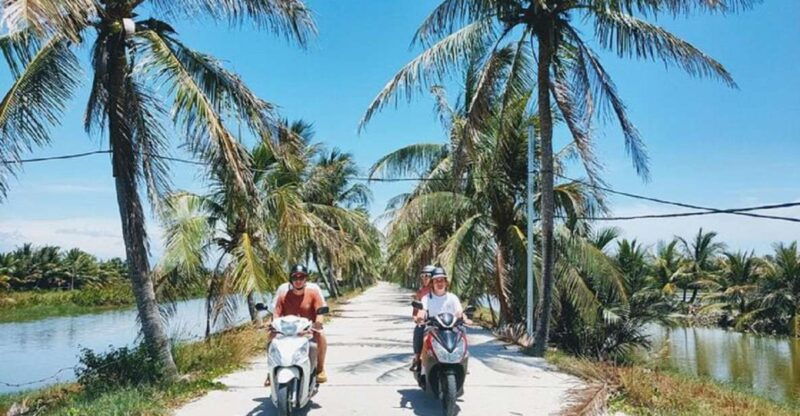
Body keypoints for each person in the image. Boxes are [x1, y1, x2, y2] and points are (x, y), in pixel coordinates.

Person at [265, 264, 329, 386]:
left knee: (321, 336)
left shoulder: (313, 293)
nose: (298, 281)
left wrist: (318, 323)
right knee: (270, 337)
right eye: (295, 278)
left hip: (307, 330)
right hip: (288, 331)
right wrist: (272, 325)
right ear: (291, 280)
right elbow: (276, 315)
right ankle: (271, 371)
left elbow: (320, 312)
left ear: (306, 279)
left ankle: (320, 368)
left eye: (302, 277)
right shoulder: (283, 296)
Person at [410, 265, 435, 371]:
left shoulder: (440, 290)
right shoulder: (420, 292)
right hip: (427, 322)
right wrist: (416, 318)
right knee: (418, 331)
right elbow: (415, 311)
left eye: (427, 276)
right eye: (422, 276)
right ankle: (417, 358)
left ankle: (460, 359)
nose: (424, 278)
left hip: (441, 321)